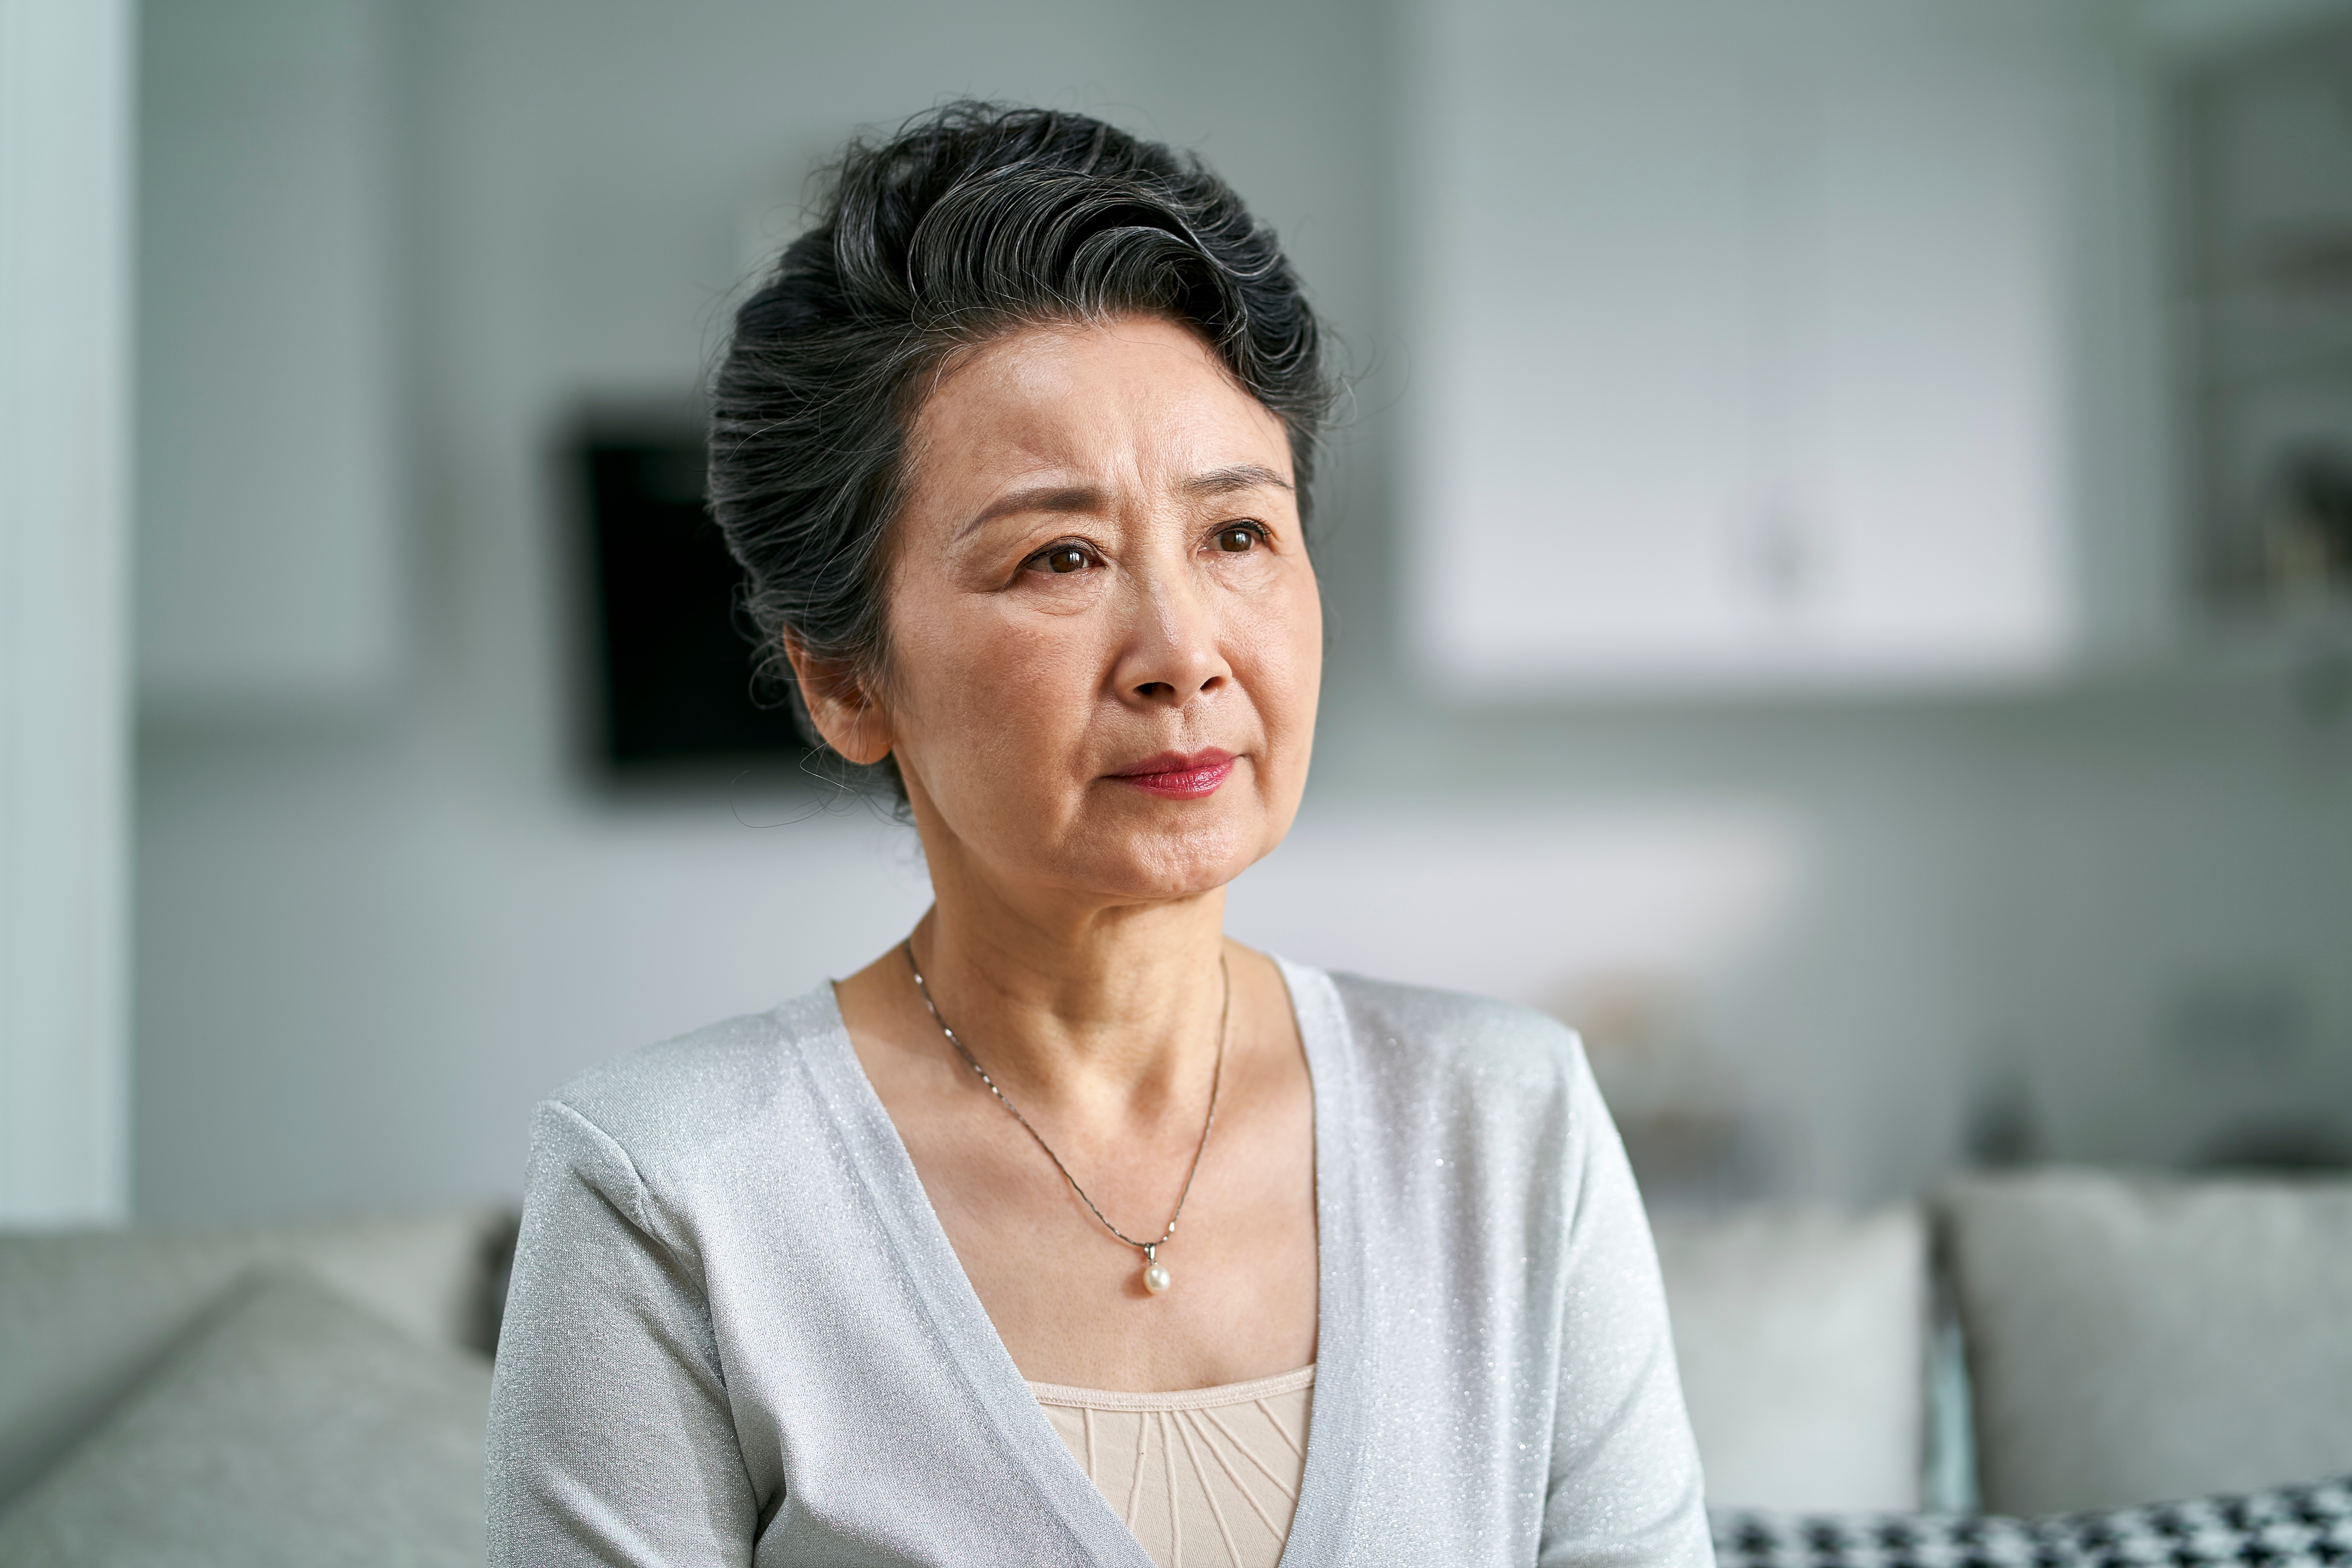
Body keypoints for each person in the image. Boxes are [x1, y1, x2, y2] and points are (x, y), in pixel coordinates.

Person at [487, 102, 1711, 1568]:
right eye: (1059, 556)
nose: (1182, 653)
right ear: (843, 677)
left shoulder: (1509, 1123)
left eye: (1237, 536)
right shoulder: (671, 1189)